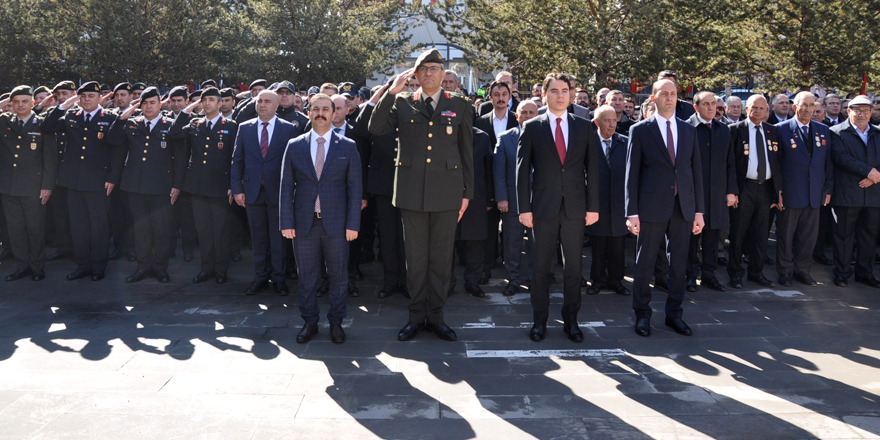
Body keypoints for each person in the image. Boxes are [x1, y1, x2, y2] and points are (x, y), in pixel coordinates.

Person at [368, 48, 474, 343]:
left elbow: (467, 153)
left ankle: (437, 318)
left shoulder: (460, 105)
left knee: (441, 260)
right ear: (414, 75)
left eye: (434, 68)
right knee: (415, 259)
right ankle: (416, 317)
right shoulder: (402, 103)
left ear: (443, 74)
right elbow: (375, 128)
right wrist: (391, 91)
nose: (428, 72)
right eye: (422, 69)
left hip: (448, 193)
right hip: (411, 194)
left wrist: (468, 193)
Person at [517, 72, 600, 342]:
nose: (560, 95)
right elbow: (521, 172)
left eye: (565, 90)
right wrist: (524, 208)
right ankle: (539, 321)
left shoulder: (584, 126)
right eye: (554, 90)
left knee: (574, 269)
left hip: (576, 209)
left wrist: (593, 207)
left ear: (571, 94)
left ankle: (571, 321)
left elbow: (594, 171)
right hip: (542, 209)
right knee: (541, 268)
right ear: (545, 94)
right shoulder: (532, 127)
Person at [625, 79, 705, 338]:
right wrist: (632, 211)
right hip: (650, 208)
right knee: (644, 264)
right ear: (654, 97)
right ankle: (642, 315)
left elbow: (696, 174)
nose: (669, 98)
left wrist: (699, 211)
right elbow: (631, 174)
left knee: (679, 265)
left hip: (683, 208)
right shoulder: (640, 130)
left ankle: (674, 314)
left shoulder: (689, 130)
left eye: (673, 94)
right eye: (664, 93)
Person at [280, 93, 362, 344]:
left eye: (326, 109)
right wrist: (286, 222)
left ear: (335, 113)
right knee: (306, 276)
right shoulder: (295, 145)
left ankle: (336, 322)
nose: (321, 113)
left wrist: (352, 224)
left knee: (338, 276)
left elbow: (355, 188)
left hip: (337, 225)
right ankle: (310, 321)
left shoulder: (347, 145)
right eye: (315, 108)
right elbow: (285, 186)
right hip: (304, 224)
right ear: (308, 112)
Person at [41, 81, 123, 281]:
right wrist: (63, 106)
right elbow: (47, 126)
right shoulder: (70, 116)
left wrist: (113, 178)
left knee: (98, 226)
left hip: (99, 182)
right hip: (74, 181)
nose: (87, 100)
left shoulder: (110, 118)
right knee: (78, 226)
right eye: (83, 96)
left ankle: (98, 266)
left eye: (91, 96)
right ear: (78, 97)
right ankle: (82, 264)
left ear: (99, 98)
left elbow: (117, 152)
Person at [107, 87, 186, 284]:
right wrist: (122, 118)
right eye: (144, 103)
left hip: (161, 187)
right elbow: (113, 139)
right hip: (136, 186)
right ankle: (142, 267)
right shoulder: (132, 124)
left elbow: (180, 159)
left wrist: (177, 184)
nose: (148, 106)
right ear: (139, 105)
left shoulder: (171, 125)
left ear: (160, 104)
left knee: (161, 230)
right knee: (140, 229)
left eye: (152, 103)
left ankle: (159, 267)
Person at [231, 89, 298, 295]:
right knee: (258, 238)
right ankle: (260, 277)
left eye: (267, 101)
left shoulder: (288, 129)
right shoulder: (244, 128)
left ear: (276, 106)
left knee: (277, 239)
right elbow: (237, 160)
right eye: (259, 101)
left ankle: (278, 278)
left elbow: (295, 163)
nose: (262, 105)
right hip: (251, 192)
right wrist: (236, 189)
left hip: (279, 192)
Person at [169, 87, 239, 284]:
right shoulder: (194, 123)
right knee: (203, 230)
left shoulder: (231, 126)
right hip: (197, 186)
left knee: (220, 230)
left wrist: (234, 185)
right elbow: (174, 134)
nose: (207, 103)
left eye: (211, 100)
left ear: (220, 103)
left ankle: (221, 270)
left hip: (220, 186)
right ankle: (206, 268)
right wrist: (186, 111)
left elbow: (235, 158)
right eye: (204, 100)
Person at [775, 91, 833, 287]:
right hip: (791, 192)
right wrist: (778, 191)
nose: (809, 110)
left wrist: (828, 190)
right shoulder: (780, 129)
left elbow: (828, 164)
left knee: (809, 236)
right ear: (794, 107)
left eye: (812, 106)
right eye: (804, 105)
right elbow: (776, 165)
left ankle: (803, 270)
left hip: (815, 192)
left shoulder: (823, 130)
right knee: (786, 235)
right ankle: (785, 271)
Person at [0, 86, 57, 281]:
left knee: (35, 228)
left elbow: (50, 159)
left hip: (34, 187)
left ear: (33, 103)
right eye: (16, 102)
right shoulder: (4, 122)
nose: (20, 105)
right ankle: (21, 265)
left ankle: (37, 266)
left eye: (24, 101)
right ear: (11, 104)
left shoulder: (42, 124)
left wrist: (47, 186)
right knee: (15, 229)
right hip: (8, 187)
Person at [726, 95, 783, 288]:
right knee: (738, 232)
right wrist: (732, 190)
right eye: (754, 108)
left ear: (767, 110)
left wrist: (778, 191)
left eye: (762, 108)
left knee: (761, 233)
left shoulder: (772, 131)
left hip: (766, 188)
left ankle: (756, 272)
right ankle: (735, 273)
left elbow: (777, 163)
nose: (758, 111)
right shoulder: (735, 130)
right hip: (744, 188)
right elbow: (730, 163)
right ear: (746, 108)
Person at [685, 91, 737, 292]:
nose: (710, 108)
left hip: (717, 192)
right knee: (691, 238)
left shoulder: (723, 130)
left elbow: (730, 163)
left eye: (713, 104)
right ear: (696, 107)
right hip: (692, 193)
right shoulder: (686, 127)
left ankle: (709, 274)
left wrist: (731, 191)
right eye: (705, 104)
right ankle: (690, 275)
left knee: (713, 237)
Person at [828, 95, 880, 287]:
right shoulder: (836, 132)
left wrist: (876, 176)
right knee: (843, 236)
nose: (862, 114)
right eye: (857, 110)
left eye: (866, 110)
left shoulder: (878, 132)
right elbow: (841, 158)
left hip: (873, 193)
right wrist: (869, 171)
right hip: (847, 194)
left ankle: (865, 273)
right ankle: (841, 273)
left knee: (869, 237)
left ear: (871, 112)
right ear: (848, 111)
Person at [494, 100, 538, 296]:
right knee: (512, 242)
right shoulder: (505, 138)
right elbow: (499, 172)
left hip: (540, 200)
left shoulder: (548, 137)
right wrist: (502, 197)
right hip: (513, 200)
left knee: (539, 243)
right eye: (524, 113)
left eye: (532, 113)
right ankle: (513, 279)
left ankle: (535, 279)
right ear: (516, 116)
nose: (528, 116)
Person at [474, 79, 516, 284]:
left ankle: (512, 269)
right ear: (490, 98)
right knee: (489, 229)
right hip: (488, 183)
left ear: (510, 97)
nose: (500, 98)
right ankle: (486, 268)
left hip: (512, 184)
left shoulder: (517, 121)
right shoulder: (481, 122)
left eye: (504, 94)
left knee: (511, 231)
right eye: (496, 94)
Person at [585, 105, 629, 296]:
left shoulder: (625, 143)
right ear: (597, 122)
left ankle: (616, 280)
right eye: (607, 120)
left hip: (619, 203)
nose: (612, 124)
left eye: (614, 120)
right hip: (597, 203)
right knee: (598, 245)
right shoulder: (588, 143)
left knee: (618, 245)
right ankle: (597, 280)